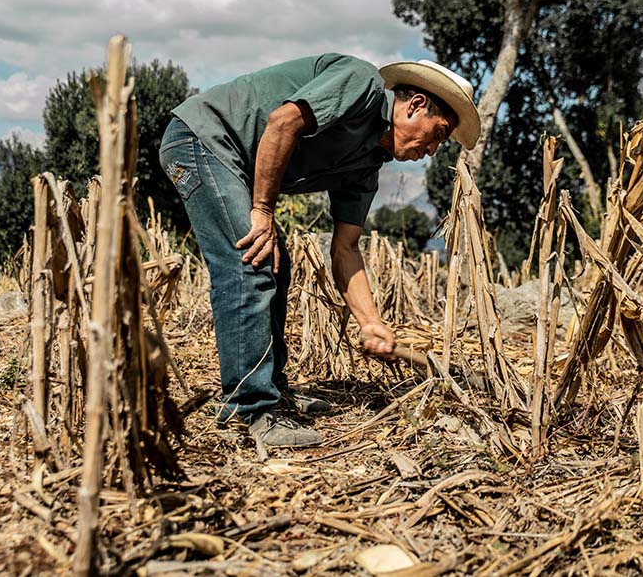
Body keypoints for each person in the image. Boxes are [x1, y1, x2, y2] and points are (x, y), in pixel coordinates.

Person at [159, 54, 480, 448]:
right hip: (203, 139)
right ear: (414, 106)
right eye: (437, 132)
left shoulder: (366, 167)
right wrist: (262, 211)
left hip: (233, 163)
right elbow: (283, 121)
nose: (431, 150)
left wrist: (369, 322)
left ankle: (272, 391)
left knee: (276, 265)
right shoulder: (360, 84)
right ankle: (250, 409)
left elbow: (345, 248)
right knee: (252, 260)